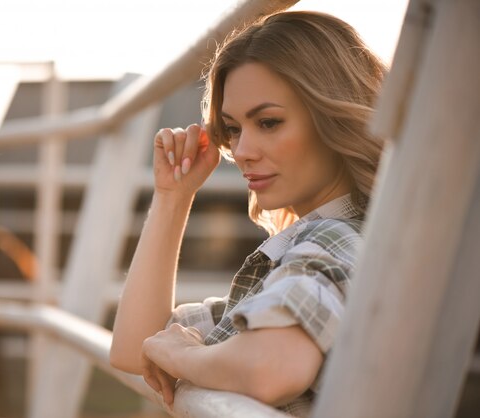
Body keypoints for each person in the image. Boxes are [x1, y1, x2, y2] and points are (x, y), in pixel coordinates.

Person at [110, 10, 386, 417]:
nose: (240, 152)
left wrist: (183, 355)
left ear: (335, 117)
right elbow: (136, 348)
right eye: (234, 129)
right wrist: (173, 197)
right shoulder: (298, 257)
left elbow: (271, 368)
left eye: (269, 122)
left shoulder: (335, 239)